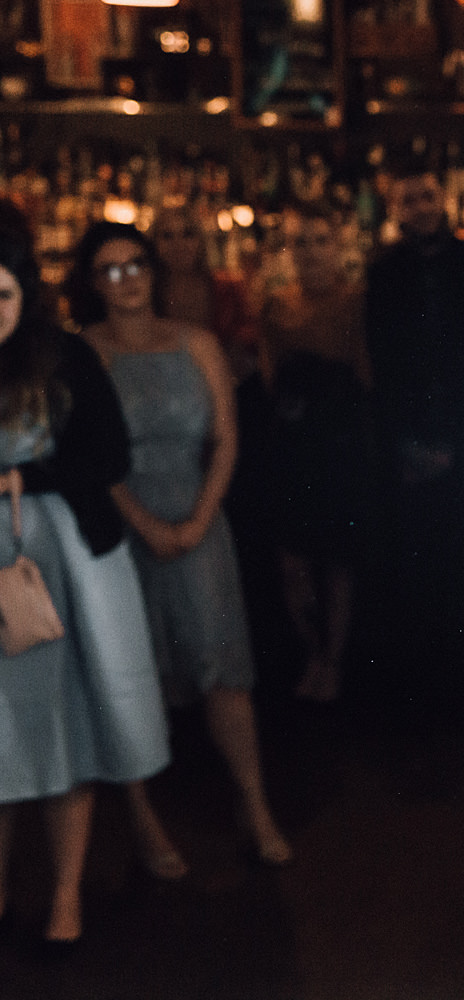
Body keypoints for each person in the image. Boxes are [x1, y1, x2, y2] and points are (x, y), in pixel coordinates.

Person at [65, 221, 292, 868]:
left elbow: (227, 440)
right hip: (121, 523)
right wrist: (146, 524)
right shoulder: (86, 353)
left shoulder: (197, 343)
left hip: (200, 517)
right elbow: (88, 457)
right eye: (108, 269)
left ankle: (255, 807)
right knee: (129, 672)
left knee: (224, 668)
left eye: (134, 264)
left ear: (153, 270)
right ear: (92, 281)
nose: (125, 278)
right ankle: (144, 822)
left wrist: (196, 521)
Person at [0, 220, 172, 951]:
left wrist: (25, 476)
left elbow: (108, 454)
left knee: (72, 720)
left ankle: (66, 893)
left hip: (68, 557)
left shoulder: (63, 354)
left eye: (1, 294)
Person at [365, 160, 464, 706]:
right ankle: (430, 692)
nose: (421, 209)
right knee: (421, 570)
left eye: (427, 197)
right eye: (410, 201)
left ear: (444, 203)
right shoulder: (383, 274)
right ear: (396, 211)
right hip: (412, 443)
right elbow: (382, 368)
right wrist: (408, 442)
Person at [257, 200, 373, 702]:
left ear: (338, 247)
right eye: (300, 242)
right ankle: (312, 653)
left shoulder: (359, 300)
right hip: (294, 444)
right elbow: (268, 378)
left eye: (320, 241)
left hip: (342, 443)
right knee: (294, 560)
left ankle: (334, 662)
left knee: (338, 560)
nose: (310, 251)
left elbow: (368, 376)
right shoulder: (274, 305)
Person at [151, 205, 259, 384]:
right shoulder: (146, 298)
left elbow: (248, 343)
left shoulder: (227, 290)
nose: (179, 245)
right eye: (167, 236)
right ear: (153, 244)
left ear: (200, 240)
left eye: (187, 234)